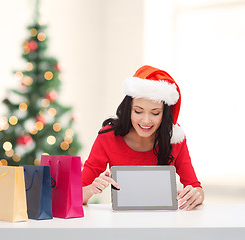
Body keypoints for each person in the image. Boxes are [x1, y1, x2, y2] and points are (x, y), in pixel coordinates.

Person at [81, 65, 204, 210]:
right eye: (138, 111)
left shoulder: (175, 140)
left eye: (155, 113)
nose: (146, 121)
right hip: (121, 225)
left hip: (164, 224)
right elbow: (76, 194)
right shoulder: (108, 137)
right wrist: (91, 189)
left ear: (165, 114)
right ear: (129, 109)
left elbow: (196, 188)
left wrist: (196, 195)